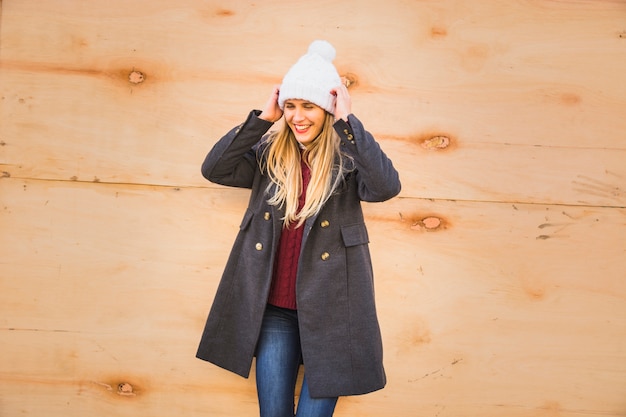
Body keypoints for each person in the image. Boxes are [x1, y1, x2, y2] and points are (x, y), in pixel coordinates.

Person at [196, 40, 401, 417]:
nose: (298, 116)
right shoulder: (269, 157)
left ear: (326, 108)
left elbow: (387, 187)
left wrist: (348, 123)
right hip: (275, 310)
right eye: (291, 105)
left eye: (308, 106)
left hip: (336, 310)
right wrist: (263, 119)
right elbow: (216, 169)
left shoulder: (349, 161)